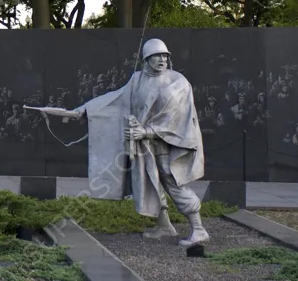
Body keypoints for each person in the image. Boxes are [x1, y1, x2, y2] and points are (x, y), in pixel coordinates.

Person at [57, 38, 208, 246]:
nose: (162, 59)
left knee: (172, 183)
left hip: (165, 145)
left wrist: (146, 131)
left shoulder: (177, 82)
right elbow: (116, 99)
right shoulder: (137, 79)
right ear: (146, 59)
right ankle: (164, 225)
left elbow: (175, 117)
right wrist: (84, 110)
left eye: (165, 56)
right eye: (156, 56)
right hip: (143, 146)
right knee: (151, 183)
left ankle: (198, 229)